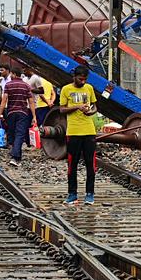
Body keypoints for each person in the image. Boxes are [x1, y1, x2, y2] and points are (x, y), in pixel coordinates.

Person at [59, 65, 98, 205]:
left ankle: (90, 194)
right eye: (80, 79)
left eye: (85, 79)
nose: (83, 82)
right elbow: (62, 110)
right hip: (73, 131)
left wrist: (91, 112)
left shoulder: (89, 88)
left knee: (90, 164)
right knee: (72, 164)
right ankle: (72, 194)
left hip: (89, 131)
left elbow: (95, 106)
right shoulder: (66, 89)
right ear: (74, 77)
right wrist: (77, 107)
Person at [1, 66, 36, 166]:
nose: (10, 76)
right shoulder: (26, 86)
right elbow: (31, 102)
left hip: (11, 113)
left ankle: (15, 156)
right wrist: (34, 116)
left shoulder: (8, 85)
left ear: (14, 74)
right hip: (23, 113)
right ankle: (16, 156)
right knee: (20, 134)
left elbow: (4, 101)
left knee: (13, 133)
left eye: (11, 74)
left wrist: (0, 113)